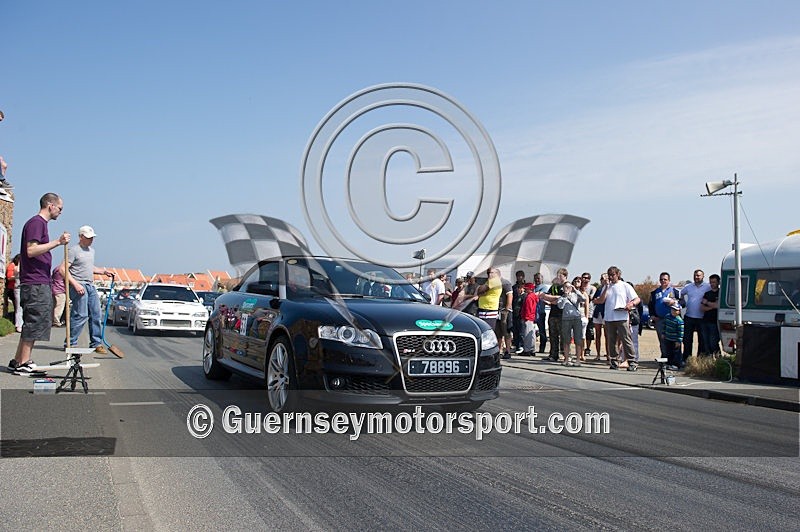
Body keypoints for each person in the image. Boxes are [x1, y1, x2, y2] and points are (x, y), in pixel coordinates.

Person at [8, 193, 70, 375]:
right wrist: (58, 242)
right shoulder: (37, 223)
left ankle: (18, 360)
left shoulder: (39, 224)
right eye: (60, 208)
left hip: (37, 281)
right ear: (51, 205)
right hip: (35, 282)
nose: (60, 212)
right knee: (35, 321)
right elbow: (31, 250)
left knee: (31, 321)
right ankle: (24, 362)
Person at [63, 225, 113, 354]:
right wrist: (75, 284)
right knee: (81, 314)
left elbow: (89, 267)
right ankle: (71, 342)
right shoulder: (73, 250)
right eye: (88, 238)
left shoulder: (91, 251)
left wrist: (103, 271)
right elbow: (62, 269)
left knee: (96, 313)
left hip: (90, 284)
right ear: (81, 237)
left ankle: (96, 343)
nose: (91, 240)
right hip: (78, 284)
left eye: (92, 238)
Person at [593, 266, 640, 371]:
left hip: (622, 316)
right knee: (611, 340)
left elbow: (637, 299)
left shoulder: (625, 285)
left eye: (613, 275)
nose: (611, 277)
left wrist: (631, 304)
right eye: (609, 275)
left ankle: (632, 361)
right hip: (609, 317)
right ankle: (614, 361)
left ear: (618, 274)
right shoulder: (607, 286)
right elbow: (601, 300)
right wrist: (606, 287)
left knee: (626, 339)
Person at [648, 272, 681, 359]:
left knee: (674, 340)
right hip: (660, 320)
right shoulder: (655, 292)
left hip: (672, 320)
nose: (663, 281)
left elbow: (683, 303)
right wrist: (652, 315)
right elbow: (650, 305)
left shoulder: (675, 291)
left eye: (665, 279)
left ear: (669, 280)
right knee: (662, 340)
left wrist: (674, 302)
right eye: (661, 279)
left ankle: (675, 359)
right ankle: (664, 358)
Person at [539, 268, 568, 362]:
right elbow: (545, 296)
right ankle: (553, 354)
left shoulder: (566, 286)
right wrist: (553, 298)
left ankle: (564, 354)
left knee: (563, 335)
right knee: (553, 335)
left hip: (562, 314)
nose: (558, 277)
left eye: (560, 275)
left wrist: (552, 299)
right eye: (557, 275)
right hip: (553, 313)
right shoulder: (554, 286)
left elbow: (562, 299)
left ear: (565, 276)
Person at [680, 269, 711, 357]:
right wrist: (682, 301)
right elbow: (680, 293)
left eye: (698, 275)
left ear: (703, 276)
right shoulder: (688, 287)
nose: (696, 277)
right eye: (695, 275)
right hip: (689, 316)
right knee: (687, 340)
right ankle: (687, 358)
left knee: (702, 340)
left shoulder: (707, 287)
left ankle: (699, 359)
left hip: (702, 318)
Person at [556, 281, 585, 366]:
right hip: (566, 319)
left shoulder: (576, 295)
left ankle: (578, 360)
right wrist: (565, 297)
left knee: (578, 339)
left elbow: (584, 299)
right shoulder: (561, 297)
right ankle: (566, 359)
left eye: (569, 287)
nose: (567, 288)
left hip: (576, 318)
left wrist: (576, 290)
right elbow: (560, 306)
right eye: (565, 287)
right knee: (566, 340)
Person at [700, 274, 721, 355]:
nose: (712, 284)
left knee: (713, 342)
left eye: (714, 282)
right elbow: (702, 308)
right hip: (705, 320)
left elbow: (717, 305)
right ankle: (709, 358)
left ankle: (718, 357)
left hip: (715, 322)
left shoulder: (721, 293)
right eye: (711, 282)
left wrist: (708, 303)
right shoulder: (707, 294)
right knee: (706, 342)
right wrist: (713, 306)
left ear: (718, 282)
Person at [591, 273, 609, 362]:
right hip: (597, 313)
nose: (603, 280)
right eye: (601, 278)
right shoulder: (599, 289)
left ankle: (608, 354)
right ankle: (598, 354)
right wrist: (598, 300)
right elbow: (594, 300)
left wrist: (599, 300)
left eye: (605, 278)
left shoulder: (610, 288)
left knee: (607, 335)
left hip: (606, 313)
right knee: (597, 334)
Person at [663, 303, 685, 370]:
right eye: (672, 309)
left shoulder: (679, 321)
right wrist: (663, 333)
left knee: (676, 352)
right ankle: (669, 363)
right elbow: (664, 325)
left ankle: (676, 365)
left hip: (675, 340)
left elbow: (681, 332)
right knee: (668, 351)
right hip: (668, 338)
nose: (673, 311)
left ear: (679, 312)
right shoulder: (667, 316)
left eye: (675, 310)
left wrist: (679, 341)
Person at [520, 283, 538, 356]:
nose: (525, 290)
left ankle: (527, 350)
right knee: (532, 334)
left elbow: (528, 308)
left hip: (528, 317)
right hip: (532, 317)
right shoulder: (534, 296)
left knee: (527, 334)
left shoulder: (529, 297)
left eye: (526, 288)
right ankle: (532, 349)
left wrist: (526, 317)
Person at [4, 254, 22, 332]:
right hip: (13, 288)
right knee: (18, 307)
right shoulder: (13, 266)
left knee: (19, 307)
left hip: (18, 288)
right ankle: (18, 324)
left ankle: (19, 323)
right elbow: (9, 277)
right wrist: (17, 276)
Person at [511, 270, 526, 353]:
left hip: (522, 311)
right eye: (517, 276)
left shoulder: (526, 287)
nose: (519, 277)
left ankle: (521, 345)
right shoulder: (514, 287)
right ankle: (516, 345)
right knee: (515, 329)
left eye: (520, 276)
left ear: (523, 277)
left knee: (521, 330)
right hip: (515, 311)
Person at [533, 273, 548, 354]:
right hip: (532, 312)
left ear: (542, 279)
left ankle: (542, 348)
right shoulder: (533, 288)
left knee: (542, 331)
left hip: (540, 312)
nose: (537, 280)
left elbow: (540, 296)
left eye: (538, 278)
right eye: (535, 278)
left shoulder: (544, 287)